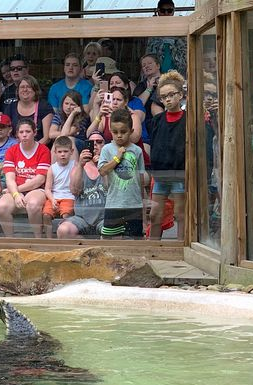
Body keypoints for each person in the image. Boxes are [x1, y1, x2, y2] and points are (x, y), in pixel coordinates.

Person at [148, 70, 187, 240]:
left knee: (180, 214)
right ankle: (153, 249)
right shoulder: (157, 120)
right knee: (155, 214)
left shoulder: (188, 119)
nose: (168, 99)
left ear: (181, 95)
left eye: (172, 94)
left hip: (180, 174)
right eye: (164, 97)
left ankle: (181, 249)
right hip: (160, 175)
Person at [0, 118, 51, 238]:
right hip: (15, 189)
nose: (24, 135)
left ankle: (38, 239)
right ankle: (10, 240)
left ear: (35, 132)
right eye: (21, 132)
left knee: (32, 204)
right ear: (17, 134)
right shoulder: (11, 151)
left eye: (28, 131)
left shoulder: (44, 150)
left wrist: (16, 191)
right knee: (2, 206)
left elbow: (40, 180)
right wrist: (16, 194)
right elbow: (9, 178)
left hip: (37, 189)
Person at [97, 108, 146, 239]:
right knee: (107, 238)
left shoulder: (137, 151)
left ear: (131, 131)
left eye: (123, 132)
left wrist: (143, 201)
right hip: (114, 203)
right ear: (110, 132)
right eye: (115, 132)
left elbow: (141, 177)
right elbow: (102, 171)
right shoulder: (107, 149)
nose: (119, 135)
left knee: (135, 238)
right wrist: (117, 158)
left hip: (134, 204)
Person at [57, 132, 108, 238]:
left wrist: (102, 166)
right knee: (63, 230)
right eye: (91, 142)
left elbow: (110, 188)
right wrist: (80, 165)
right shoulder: (78, 167)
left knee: (111, 231)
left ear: (105, 145)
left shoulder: (110, 166)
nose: (95, 145)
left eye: (99, 142)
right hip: (81, 219)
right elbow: (75, 190)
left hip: (105, 218)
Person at [4, 75, 54, 146]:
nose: (25, 89)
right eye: (22, 87)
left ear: (35, 90)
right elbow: (5, 133)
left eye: (28, 87)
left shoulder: (44, 107)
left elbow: (47, 138)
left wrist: (31, 150)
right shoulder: (10, 107)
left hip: (38, 149)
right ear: (17, 91)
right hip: (15, 149)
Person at [42, 136, 76, 238]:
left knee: (66, 214)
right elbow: (47, 189)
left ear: (71, 151)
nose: (62, 154)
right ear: (55, 152)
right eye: (60, 152)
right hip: (54, 197)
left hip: (69, 197)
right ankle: (49, 239)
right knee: (46, 215)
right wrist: (52, 200)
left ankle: (63, 237)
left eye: (65, 151)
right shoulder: (52, 168)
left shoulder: (75, 165)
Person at [145, 0, 187, 76]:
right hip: (157, 75)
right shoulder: (151, 29)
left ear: (173, 11)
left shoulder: (181, 28)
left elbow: (185, 56)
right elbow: (148, 56)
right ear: (158, 11)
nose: (166, 14)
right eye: (163, 10)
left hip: (178, 74)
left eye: (169, 11)